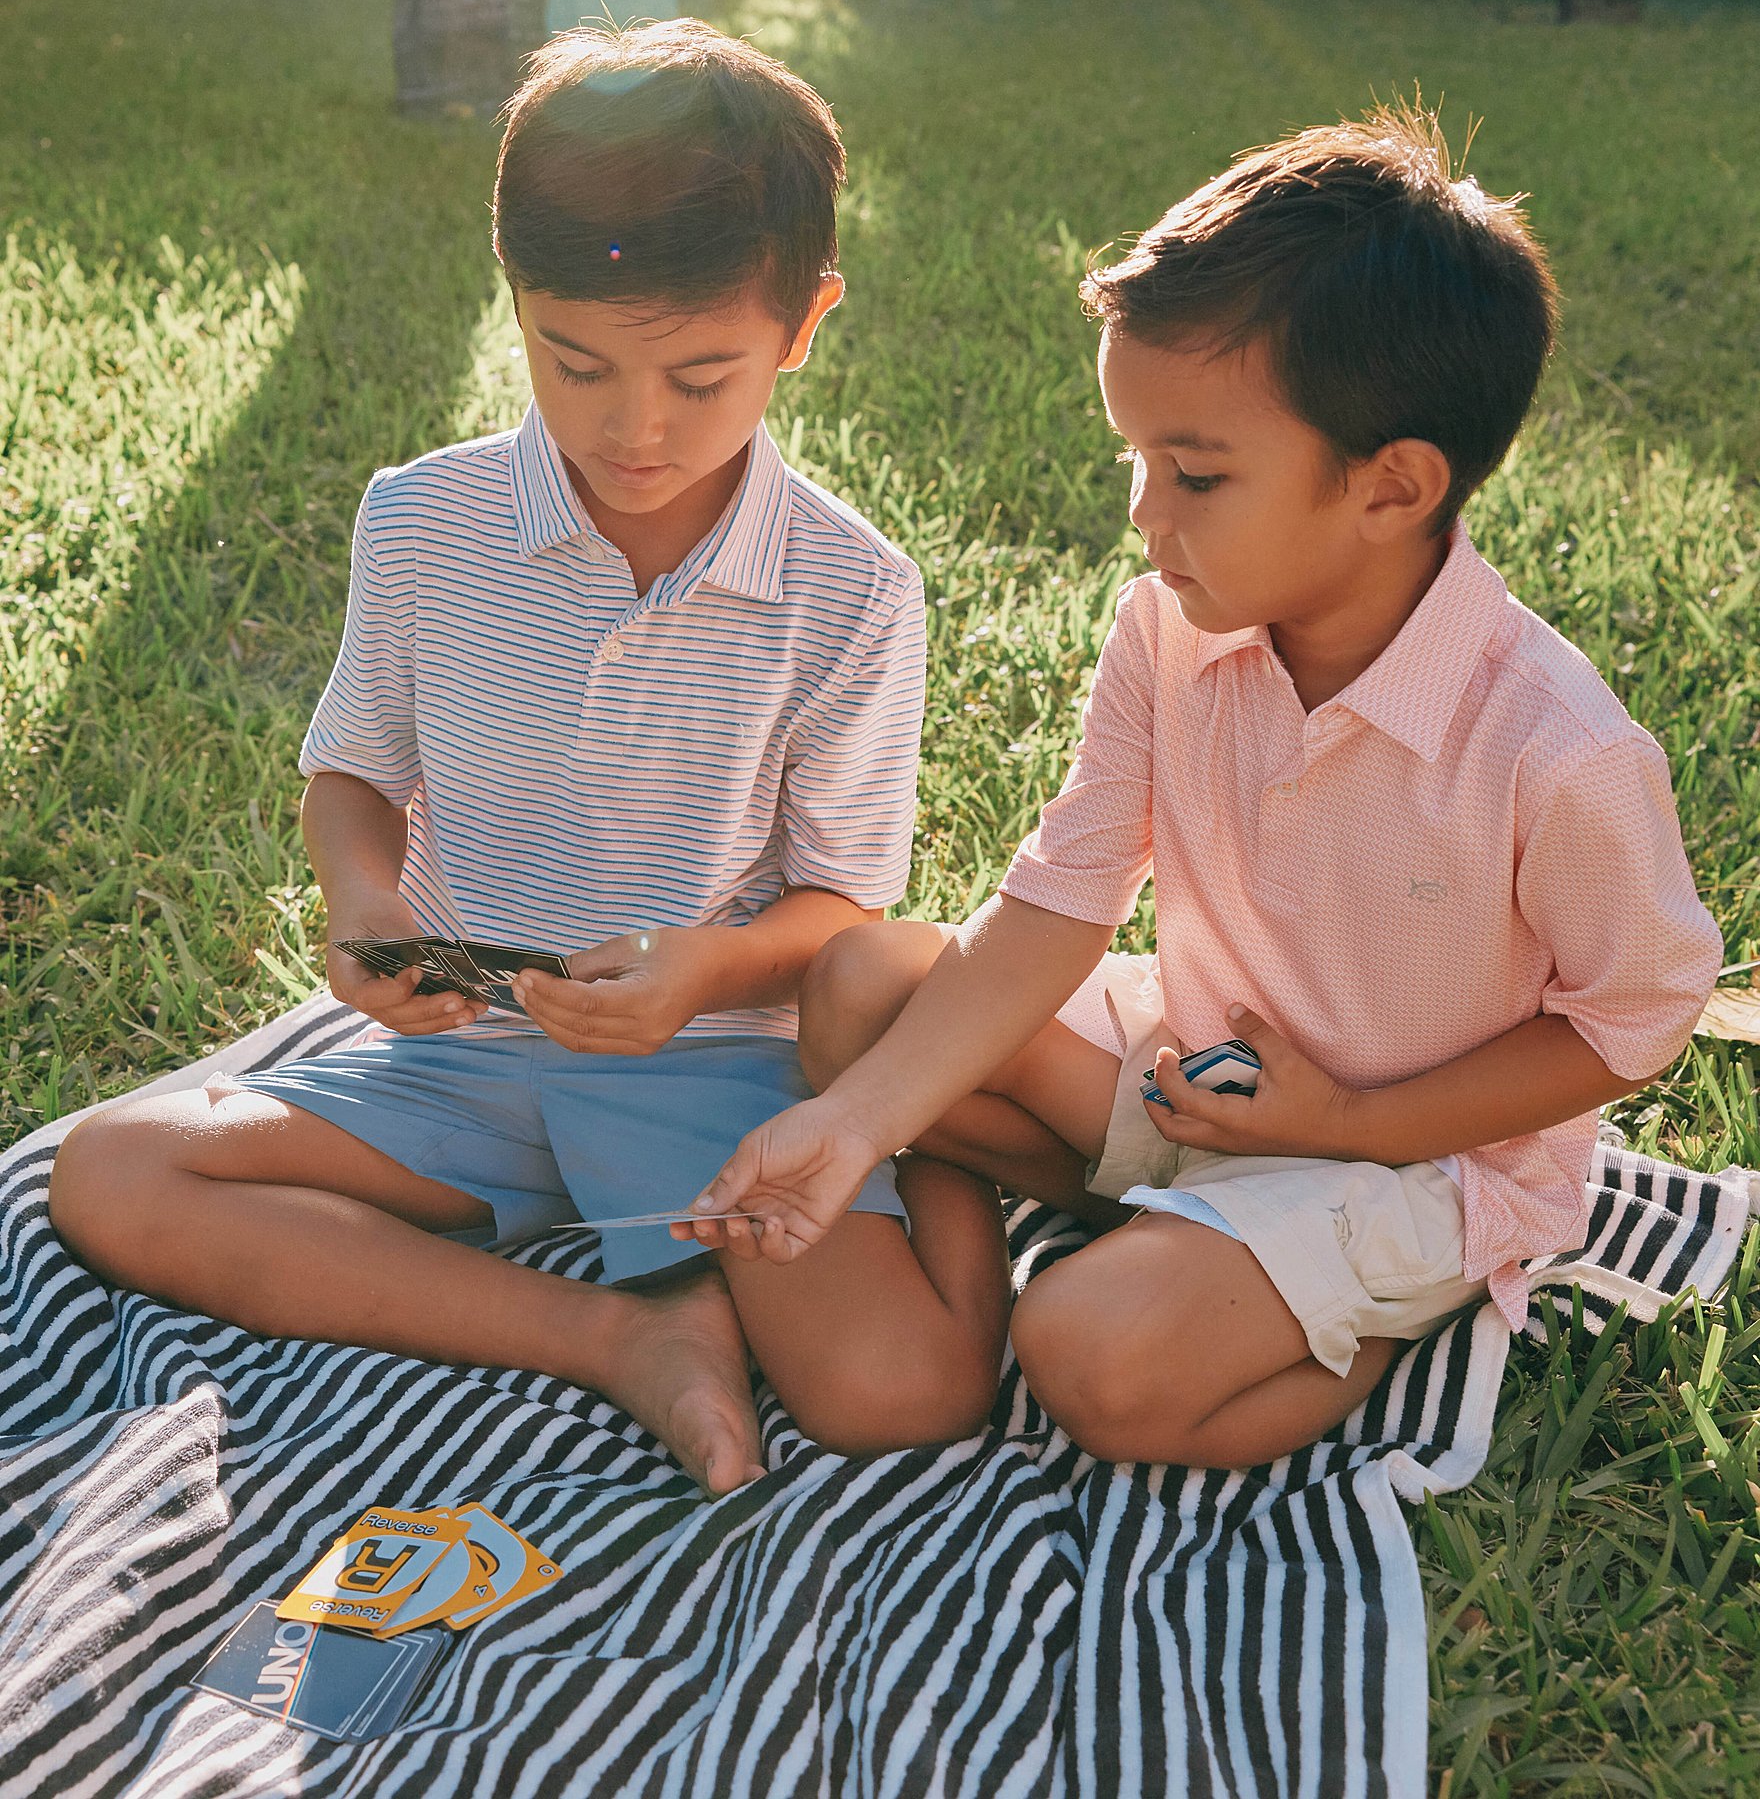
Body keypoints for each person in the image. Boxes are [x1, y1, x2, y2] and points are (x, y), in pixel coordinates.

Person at [677, 105, 1724, 1470]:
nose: (1139, 513)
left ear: (1394, 488)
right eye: (1136, 458)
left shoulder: (1553, 748)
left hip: (1415, 1161)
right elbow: (1061, 899)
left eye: (1196, 474)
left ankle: (1380, 1316)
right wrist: (847, 1128)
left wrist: (1343, 1126)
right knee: (862, 994)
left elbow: (1635, 1022)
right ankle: (1186, 1232)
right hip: (1208, 1066)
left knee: (1085, 1354)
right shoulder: (1171, 630)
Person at [48, 20, 1009, 1498]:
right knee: (113, 1174)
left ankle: (939, 1140)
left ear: (804, 326)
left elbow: (841, 914)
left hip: (712, 1076)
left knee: (898, 1393)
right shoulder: (423, 521)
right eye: (576, 366)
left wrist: (701, 972)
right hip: (467, 1068)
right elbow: (354, 771)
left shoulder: (849, 586)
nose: (637, 429)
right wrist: (366, 902)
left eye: (702, 378)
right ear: (516, 302)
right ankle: (623, 1341)